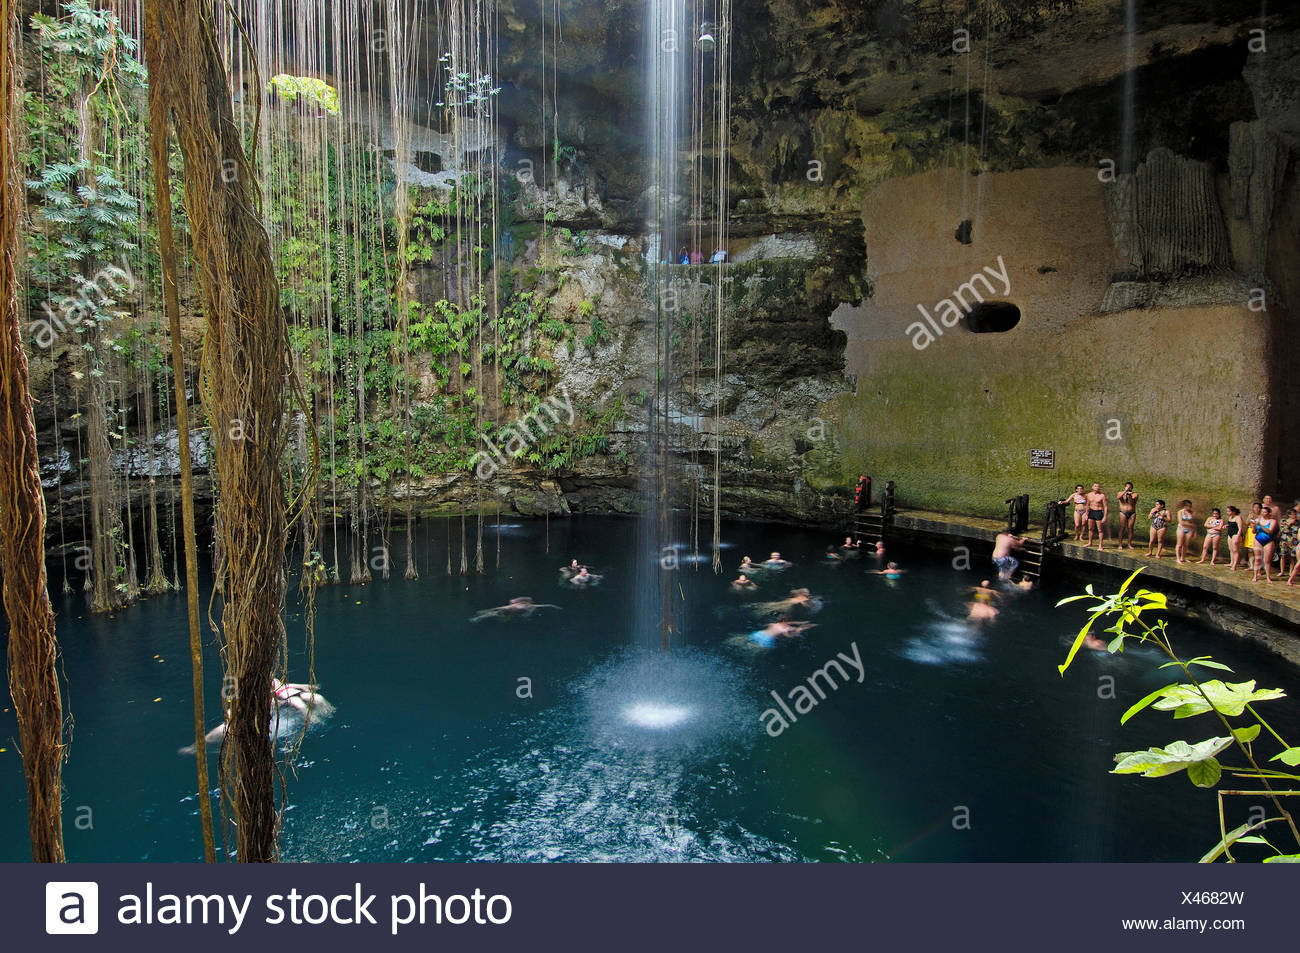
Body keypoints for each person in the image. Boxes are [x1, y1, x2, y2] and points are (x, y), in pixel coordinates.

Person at [471, 596, 561, 622]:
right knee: (495, 612)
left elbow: (545, 605)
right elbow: (544, 605)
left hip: (510, 610)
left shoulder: (527, 604)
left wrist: (553, 606)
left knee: (494, 611)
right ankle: (480, 617)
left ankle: (480, 616)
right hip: (510, 610)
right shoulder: (528, 605)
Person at [1254, 506, 1279, 582]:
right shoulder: (1257, 519)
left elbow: (1269, 531)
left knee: (1267, 560)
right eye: (1262, 512)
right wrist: (1254, 526)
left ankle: (1268, 577)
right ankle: (1255, 576)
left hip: (1268, 540)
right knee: (1257, 559)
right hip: (1258, 540)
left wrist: (1260, 525)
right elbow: (1254, 532)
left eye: (1264, 512)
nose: (1263, 513)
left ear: (1268, 513)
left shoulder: (1273, 521)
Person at [1083, 482, 1109, 550]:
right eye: (1095, 486)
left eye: (1098, 486)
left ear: (1099, 488)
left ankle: (1100, 545)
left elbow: (1106, 506)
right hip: (1091, 512)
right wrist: (1086, 514)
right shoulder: (1089, 495)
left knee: (1100, 529)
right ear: (1092, 487)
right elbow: (1088, 505)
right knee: (1090, 528)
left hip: (1099, 512)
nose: (1096, 487)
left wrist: (1105, 516)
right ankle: (1090, 542)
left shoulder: (1102, 495)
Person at [1277, 504, 1299, 579]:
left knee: (1292, 557)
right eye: (1293, 514)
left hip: (1293, 541)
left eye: (1296, 514)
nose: (1295, 515)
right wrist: (1289, 524)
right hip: (1284, 540)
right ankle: (1282, 571)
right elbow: (1282, 530)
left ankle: (1291, 571)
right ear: (1289, 515)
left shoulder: (1298, 522)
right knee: (1283, 556)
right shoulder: (1284, 521)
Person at [1117, 482, 1139, 549]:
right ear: (1125, 487)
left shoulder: (1135, 494)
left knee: (1130, 528)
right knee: (1122, 528)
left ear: (1132, 488)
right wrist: (1125, 492)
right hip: (1123, 512)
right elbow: (1119, 497)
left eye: (1130, 487)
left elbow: (1131, 501)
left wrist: (1129, 495)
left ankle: (1129, 544)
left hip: (1132, 513)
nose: (1128, 488)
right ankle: (1120, 544)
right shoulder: (1120, 493)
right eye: (1127, 487)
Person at [1225, 505, 1245, 570]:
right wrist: (1226, 526)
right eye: (1227, 511)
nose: (1227, 512)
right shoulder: (1230, 517)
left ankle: (1234, 565)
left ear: (1233, 511)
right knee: (1231, 549)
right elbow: (1231, 525)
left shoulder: (1238, 518)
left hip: (1236, 534)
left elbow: (1240, 528)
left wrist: (1238, 536)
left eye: (1229, 511)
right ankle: (1231, 562)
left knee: (1235, 550)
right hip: (1230, 534)